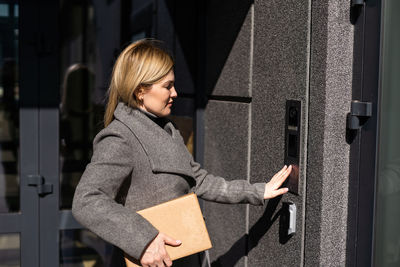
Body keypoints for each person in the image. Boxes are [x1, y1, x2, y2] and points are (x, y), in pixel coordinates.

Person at [71, 39, 292, 267]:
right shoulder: (120, 137)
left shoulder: (167, 129)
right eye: (167, 86)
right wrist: (144, 239)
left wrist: (258, 191)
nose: (175, 93)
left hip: (183, 254)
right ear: (140, 91)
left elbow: (201, 181)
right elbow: (87, 200)